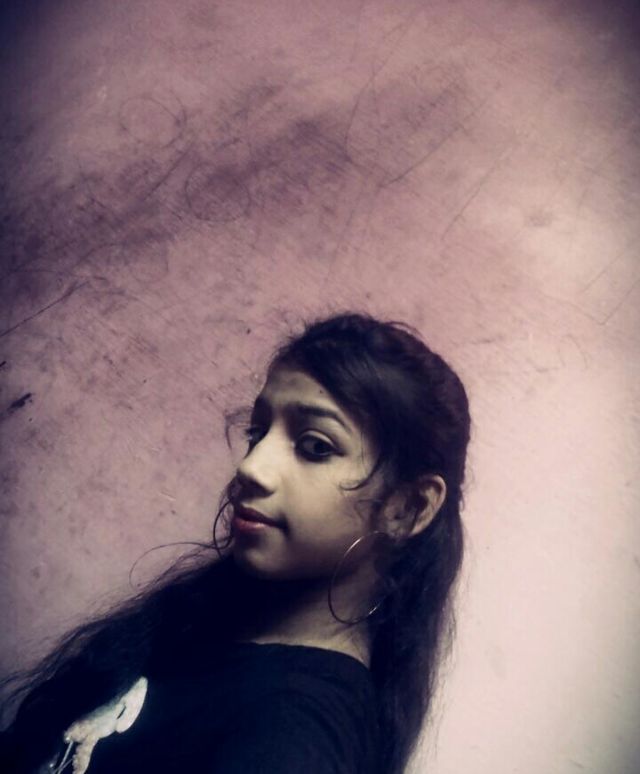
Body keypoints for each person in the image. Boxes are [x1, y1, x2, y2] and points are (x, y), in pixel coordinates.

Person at [0, 311, 471, 774]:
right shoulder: (215, 618)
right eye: (257, 432)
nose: (251, 467)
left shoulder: (296, 735)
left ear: (406, 509)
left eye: (315, 447)